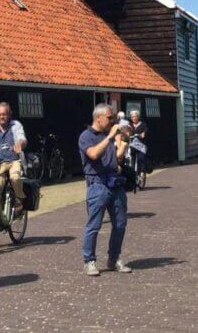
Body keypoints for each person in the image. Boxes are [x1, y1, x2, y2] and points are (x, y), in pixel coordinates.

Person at [79, 104, 132, 276]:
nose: (113, 121)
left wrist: (123, 143)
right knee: (94, 225)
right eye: (109, 118)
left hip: (114, 182)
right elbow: (93, 154)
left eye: (113, 118)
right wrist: (110, 137)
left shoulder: (109, 136)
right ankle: (89, 261)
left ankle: (113, 258)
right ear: (98, 118)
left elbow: (116, 159)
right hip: (97, 183)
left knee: (120, 224)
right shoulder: (86, 136)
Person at [128, 110, 148, 185]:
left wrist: (143, 134)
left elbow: (145, 131)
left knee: (141, 158)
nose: (134, 118)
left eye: (135, 116)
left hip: (141, 146)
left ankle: (142, 173)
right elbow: (126, 131)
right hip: (132, 145)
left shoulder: (142, 124)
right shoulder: (130, 125)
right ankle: (133, 175)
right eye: (133, 117)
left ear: (138, 117)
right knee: (132, 161)